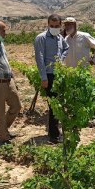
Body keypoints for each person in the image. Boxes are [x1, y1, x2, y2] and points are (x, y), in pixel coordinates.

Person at [34, 14, 69, 144]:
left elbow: (66, 48)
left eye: (57, 26)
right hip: (49, 75)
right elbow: (39, 59)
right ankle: (54, 136)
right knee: (53, 105)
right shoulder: (41, 38)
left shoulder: (60, 37)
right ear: (48, 24)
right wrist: (44, 78)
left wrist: (62, 58)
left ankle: (54, 132)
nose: (54, 28)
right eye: (52, 26)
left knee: (58, 103)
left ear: (60, 26)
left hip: (59, 74)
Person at [63, 17, 95, 127]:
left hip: (84, 71)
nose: (68, 26)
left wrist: (94, 60)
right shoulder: (66, 39)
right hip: (71, 72)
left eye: (70, 24)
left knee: (89, 92)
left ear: (75, 25)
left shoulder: (84, 36)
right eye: (66, 24)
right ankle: (78, 115)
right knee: (75, 94)